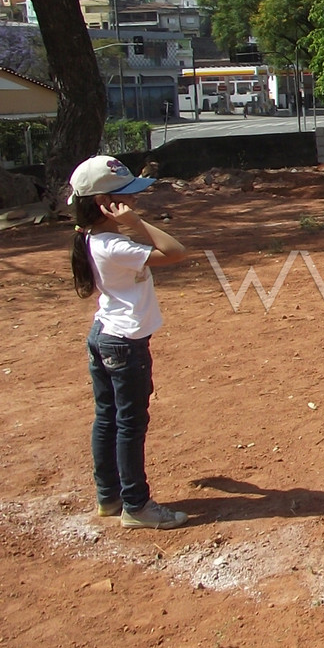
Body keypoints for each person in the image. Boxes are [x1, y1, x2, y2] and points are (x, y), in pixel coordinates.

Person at [68, 156, 192, 529]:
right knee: (130, 424)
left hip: (105, 335)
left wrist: (128, 223)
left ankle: (109, 496)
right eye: (124, 197)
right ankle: (136, 505)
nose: (134, 202)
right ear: (105, 204)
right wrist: (136, 224)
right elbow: (175, 251)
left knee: (108, 418)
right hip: (124, 344)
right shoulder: (113, 245)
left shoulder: (94, 237)